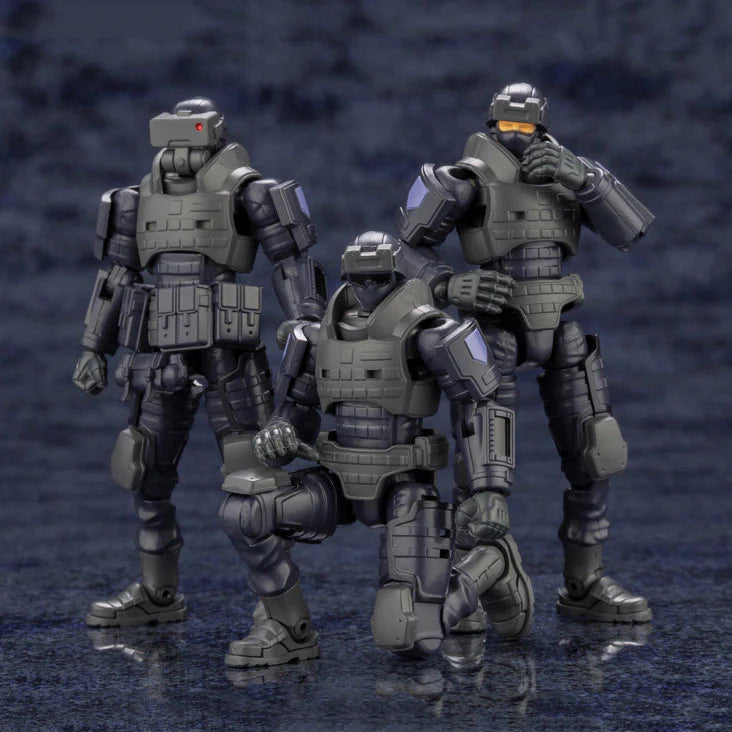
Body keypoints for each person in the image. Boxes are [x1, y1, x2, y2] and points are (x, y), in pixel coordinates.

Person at [73, 97, 326, 627]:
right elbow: (115, 278)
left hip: (226, 353)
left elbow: (292, 260)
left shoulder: (249, 192)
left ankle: (280, 610)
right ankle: (157, 593)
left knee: (254, 479)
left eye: (190, 137)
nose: (179, 152)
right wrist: (94, 347)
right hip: (158, 350)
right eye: (171, 138)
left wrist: (306, 319)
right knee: (144, 470)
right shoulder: (134, 200)